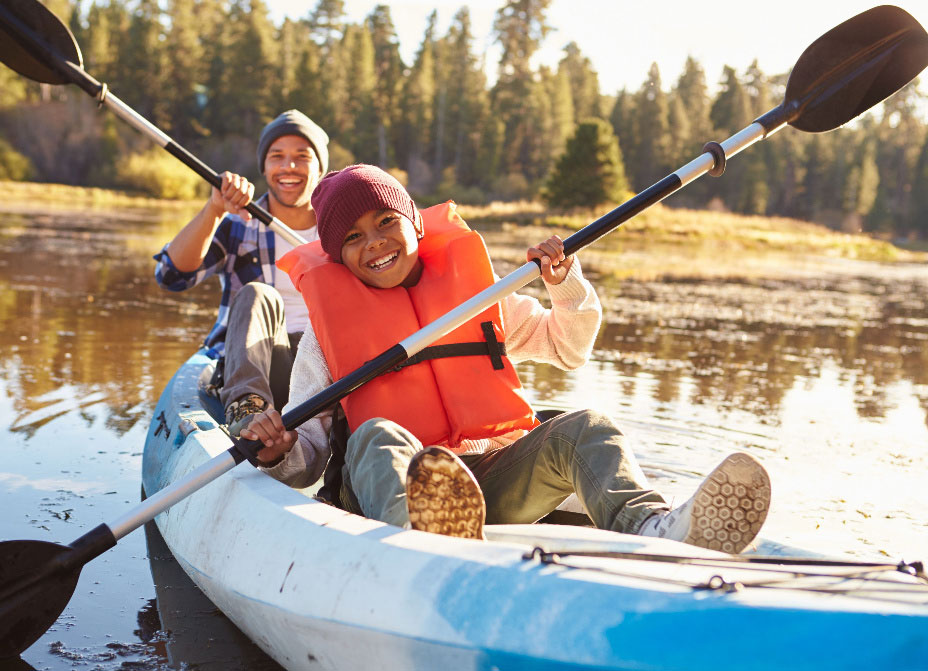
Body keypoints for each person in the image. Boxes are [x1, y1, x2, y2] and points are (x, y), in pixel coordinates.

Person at [242, 164, 771, 553]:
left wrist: (563, 286)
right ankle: (414, 544)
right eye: (353, 238)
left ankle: (653, 527)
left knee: (587, 426)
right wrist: (278, 450)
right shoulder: (322, 341)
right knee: (376, 432)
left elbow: (568, 347)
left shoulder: (478, 300)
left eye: (386, 222)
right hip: (390, 490)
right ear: (336, 257)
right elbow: (305, 458)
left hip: (492, 480)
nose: (375, 243)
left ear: (416, 225)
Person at [153, 110, 329, 435]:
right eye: (277, 156)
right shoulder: (237, 225)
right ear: (264, 167)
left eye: (301, 157)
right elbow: (171, 276)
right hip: (260, 364)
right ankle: (247, 409)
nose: (288, 166)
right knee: (257, 294)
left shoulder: (340, 233)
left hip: (324, 370)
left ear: (321, 168)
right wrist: (215, 210)